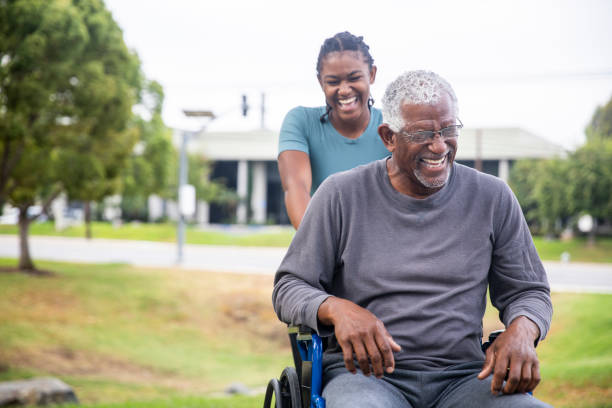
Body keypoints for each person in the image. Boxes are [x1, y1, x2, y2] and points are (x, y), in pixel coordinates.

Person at [272, 70, 553, 407]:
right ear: (389, 137)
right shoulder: (340, 194)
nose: (439, 145)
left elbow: (529, 291)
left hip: (464, 377)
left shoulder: (492, 196)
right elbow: (288, 287)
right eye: (423, 133)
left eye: (448, 130)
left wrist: (522, 330)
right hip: (365, 377)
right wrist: (337, 309)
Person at [277, 31, 390, 229]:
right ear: (321, 82)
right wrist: (322, 249)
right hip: (323, 247)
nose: (344, 90)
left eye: (354, 78)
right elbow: (296, 187)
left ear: (371, 74)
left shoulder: (392, 125)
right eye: (333, 82)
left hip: (382, 250)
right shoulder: (301, 122)